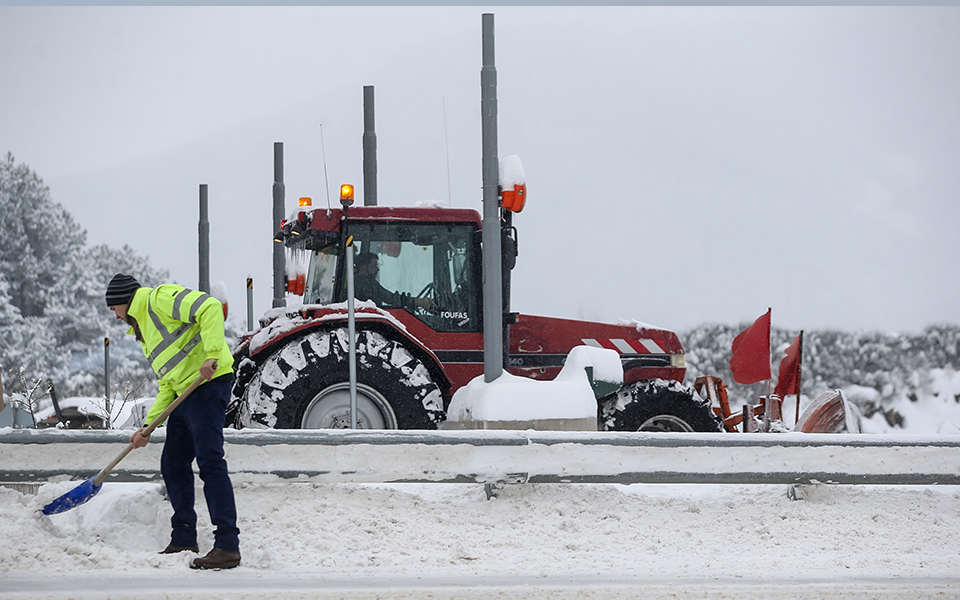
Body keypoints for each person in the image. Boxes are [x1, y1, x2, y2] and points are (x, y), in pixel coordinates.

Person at [105, 273, 241, 570]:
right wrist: (148, 427)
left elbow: (210, 307)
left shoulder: (159, 299)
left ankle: (228, 545)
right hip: (185, 392)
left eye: (113, 309)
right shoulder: (144, 331)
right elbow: (168, 382)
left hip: (209, 382)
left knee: (210, 461)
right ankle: (183, 538)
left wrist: (213, 355)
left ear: (123, 302)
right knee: (174, 464)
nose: (115, 317)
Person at [354, 252, 432, 311]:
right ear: (363, 267)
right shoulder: (365, 283)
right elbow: (389, 298)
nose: (377, 269)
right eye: (374, 265)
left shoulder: (360, 282)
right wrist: (417, 302)